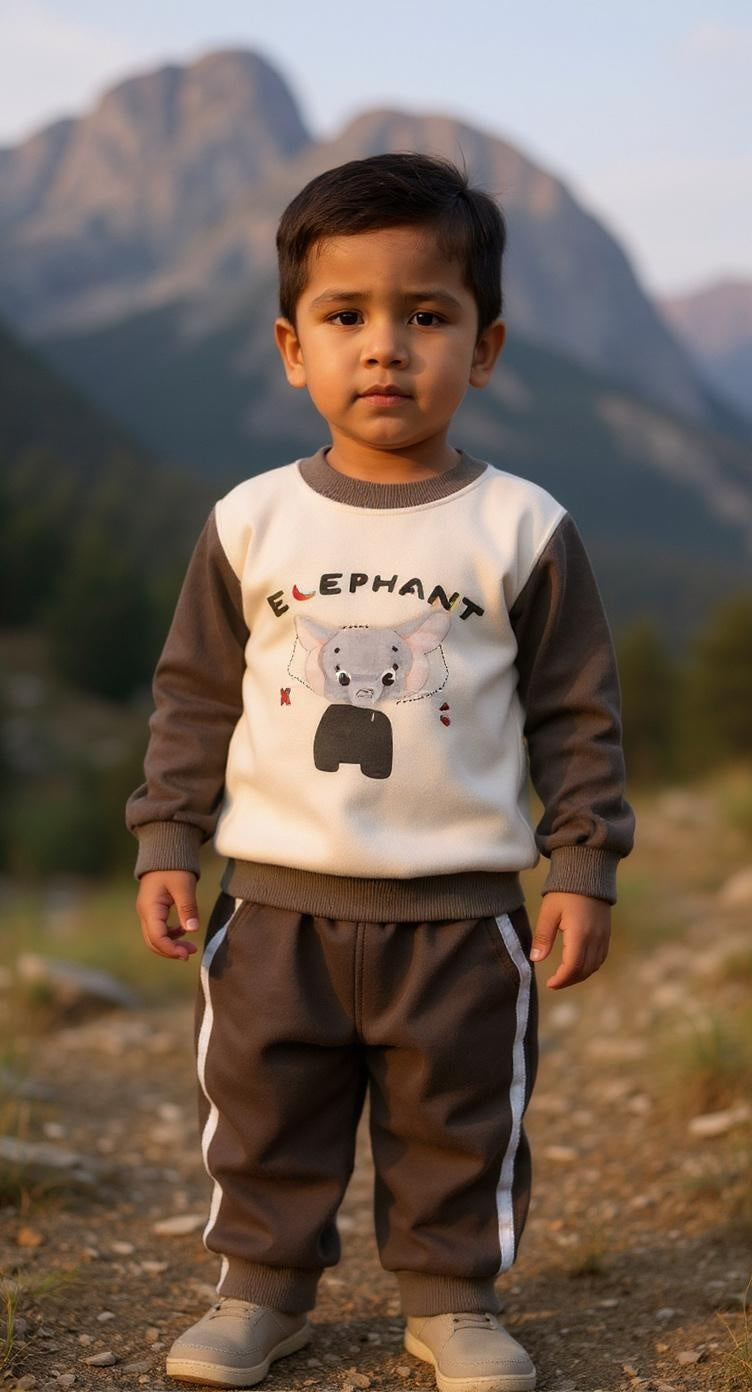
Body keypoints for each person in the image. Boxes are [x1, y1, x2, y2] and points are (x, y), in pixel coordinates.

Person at [125, 151, 635, 1392]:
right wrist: (166, 838)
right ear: (292, 348)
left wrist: (581, 864)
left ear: (487, 345)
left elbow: (576, 712)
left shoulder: (520, 526)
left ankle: (453, 1301)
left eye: (427, 316)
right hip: (274, 903)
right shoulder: (252, 520)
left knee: (456, 1118)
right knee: (264, 1112)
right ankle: (260, 1291)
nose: (385, 348)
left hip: (459, 910)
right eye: (346, 317)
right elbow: (196, 692)